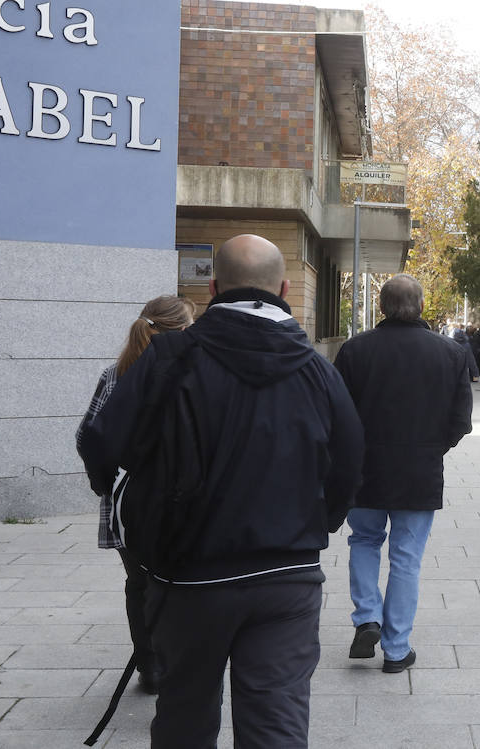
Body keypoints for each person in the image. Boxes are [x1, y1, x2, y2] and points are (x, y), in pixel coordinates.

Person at [78, 234, 365, 748]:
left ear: (212, 287)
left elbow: (101, 441)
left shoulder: (168, 357)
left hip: (187, 575)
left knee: (184, 713)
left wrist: (132, 506)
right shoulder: (319, 372)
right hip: (287, 576)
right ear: (284, 287)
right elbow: (349, 463)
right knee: (276, 723)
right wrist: (315, 524)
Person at [334, 275, 473, 675]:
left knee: (363, 541)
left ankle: (366, 618)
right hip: (419, 471)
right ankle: (396, 650)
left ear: (381, 307)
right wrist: (432, 448)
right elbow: (460, 421)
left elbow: (338, 415)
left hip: (365, 470)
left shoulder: (355, 350)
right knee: (406, 559)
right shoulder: (450, 353)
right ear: (422, 306)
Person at [75, 294, 195, 696]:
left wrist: (103, 483)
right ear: (179, 331)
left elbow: (89, 435)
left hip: (127, 502)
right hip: (180, 497)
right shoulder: (191, 373)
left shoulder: (116, 373)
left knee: (139, 582)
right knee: (179, 582)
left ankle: (150, 664)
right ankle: (177, 659)